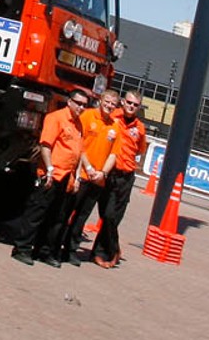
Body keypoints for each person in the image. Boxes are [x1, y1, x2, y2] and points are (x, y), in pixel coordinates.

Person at [11, 86, 90, 266]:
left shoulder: (79, 124)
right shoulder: (56, 118)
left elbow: (79, 152)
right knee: (37, 211)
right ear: (69, 102)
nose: (81, 107)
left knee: (57, 217)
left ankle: (43, 251)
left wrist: (77, 176)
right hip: (52, 174)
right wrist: (49, 169)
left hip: (67, 177)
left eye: (84, 105)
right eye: (78, 103)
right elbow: (46, 145)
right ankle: (22, 248)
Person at [63, 90, 122, 265]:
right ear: (101, 100)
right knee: (66, 211)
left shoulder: (114, 126)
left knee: (82, 216)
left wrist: (102, 173)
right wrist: (87, 167)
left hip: (97, 179)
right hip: (81, 174)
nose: (109, 105)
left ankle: (70, 250)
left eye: (113, 104)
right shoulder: (87, 116)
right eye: (107, 101)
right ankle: (54, 245)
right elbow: (79, 144)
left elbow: (113, 154)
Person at [90, 91, 147, 266]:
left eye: (135, 105)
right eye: (129, 102)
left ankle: (100, 252)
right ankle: (114, 249)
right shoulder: (113, 117)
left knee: (115, 217)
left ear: (139, 107)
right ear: (123, 102)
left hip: (126, 176)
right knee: (107, 215)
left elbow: (140, 150)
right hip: (110, 173)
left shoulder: (140, 128)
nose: (131, 106)